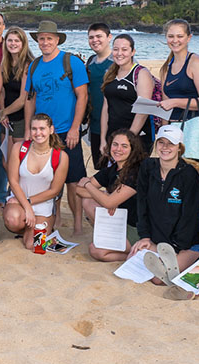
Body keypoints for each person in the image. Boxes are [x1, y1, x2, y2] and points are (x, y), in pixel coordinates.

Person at [22, 20, 89, 234]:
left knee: (73, 180)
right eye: (41, 38)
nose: (45, 42)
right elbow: (30, 99)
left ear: (57, 39)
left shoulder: (72, 62)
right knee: (50, 179)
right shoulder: (34, 66)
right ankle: (56, 217)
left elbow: (82, 96)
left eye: (49, 38)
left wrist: (75, 128)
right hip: (42, 133)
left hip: (66, 130)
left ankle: (78, 223)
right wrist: (27, 130)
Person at [129, 125, 199, 286]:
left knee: (158, 279)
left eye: (171, 143)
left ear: (179, 147)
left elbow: (190, 218)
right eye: (161, 142)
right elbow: (141, 204)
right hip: (157, 240)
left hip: (186, 244)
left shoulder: (189, 175)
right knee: (132, 260)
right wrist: (146, 237)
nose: (165, 147)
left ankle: (191, 260)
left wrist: (175, 246)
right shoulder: (148, 167)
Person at [75, 128, 145, 262]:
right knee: (88, 201)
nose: (118, 149)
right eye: (115, 144)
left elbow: (107, 202)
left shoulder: (136, 171)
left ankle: (137, 252)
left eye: (124, 146)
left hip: (135, 228)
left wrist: (89, 185)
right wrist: (106, 194)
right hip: (118, 221)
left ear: (132, 149)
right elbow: (79, 191)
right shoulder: (112, 169)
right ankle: (112, 239)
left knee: (96, 251)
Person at [2, 113, 68, 250]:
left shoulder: (60, 156)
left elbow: (54, 191)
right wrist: (26, 206)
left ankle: (33, 230)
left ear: (51, 130)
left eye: (42, 129)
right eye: (34, 129)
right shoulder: (19, 148)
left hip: (44, 206)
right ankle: (25, 227)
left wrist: (29, 202)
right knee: (12, 220)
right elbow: (13, 181)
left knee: (35, 246)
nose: (38, 133)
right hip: (19, 201)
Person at [158, 19, 199, 172]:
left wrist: (176, 102)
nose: (175, 40)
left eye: (179, 36)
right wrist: (163, 135)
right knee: (173, 180)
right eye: (171, 36)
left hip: (196, 128)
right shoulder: (165, 68)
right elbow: (165, 106)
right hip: (173, 130)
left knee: (192, 179)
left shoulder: (196, 62)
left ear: (189, 37)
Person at [100, 34, 155, 153]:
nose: (119, 53)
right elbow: (106, 108)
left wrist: (128, 140)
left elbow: (144, 110)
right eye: (116, 49)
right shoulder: (110, 74)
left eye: (124, 49)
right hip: (113, 137)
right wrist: (103, 139)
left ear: (133, 52)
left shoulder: (141, 73)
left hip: (136, 137)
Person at [0, 27, 34, 158]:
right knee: (5, 161)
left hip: (21, 119)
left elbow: (22, 99)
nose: (13, 43)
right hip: (6, 119)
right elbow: (1, 91)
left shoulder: (28, 65)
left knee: (19, 161)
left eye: (17, 41)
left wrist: (3, 112)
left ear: (23, 43)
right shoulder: (5, 63)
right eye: (10, 40)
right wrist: (3, 113)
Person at [84, 23, 114, 170]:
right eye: (91, 37)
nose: (95, 40)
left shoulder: (119, 60)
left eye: (99, 36)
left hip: (115, 124)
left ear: (109, 37)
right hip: (96, 124)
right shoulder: (90, 62)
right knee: (101, 169)